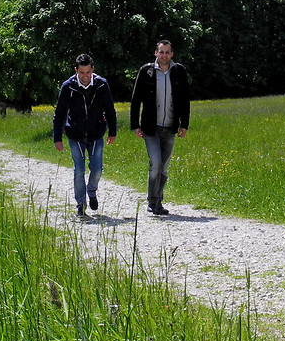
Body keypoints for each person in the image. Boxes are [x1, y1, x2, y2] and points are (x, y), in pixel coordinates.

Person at [129, 39, 190, 216]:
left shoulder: (179, 71)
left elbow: (185, 100)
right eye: (161, 52)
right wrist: (135, 125)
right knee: (155, 163)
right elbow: (135, 100)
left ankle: (158, 202)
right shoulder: (146, 71)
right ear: (156, 53)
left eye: (167, 52)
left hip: (170, 126)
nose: (164, 55)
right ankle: (152, 201)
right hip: (150, 127)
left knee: (163, 167)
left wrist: (184, 124)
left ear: (172, 54)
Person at [53, 53, 117, 218]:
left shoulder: (102, 85)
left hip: (96, 134)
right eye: (82, 73)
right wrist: (57, 137)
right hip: (75, 134)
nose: (85, 76)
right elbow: (59, 113)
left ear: (92, 70)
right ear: (76, 71)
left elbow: (110, 109)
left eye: (88, 72)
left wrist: (112, 131)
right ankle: (80, 204)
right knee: (79, 170)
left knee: (96, 169)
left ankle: (92, 191)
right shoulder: (68, 87)